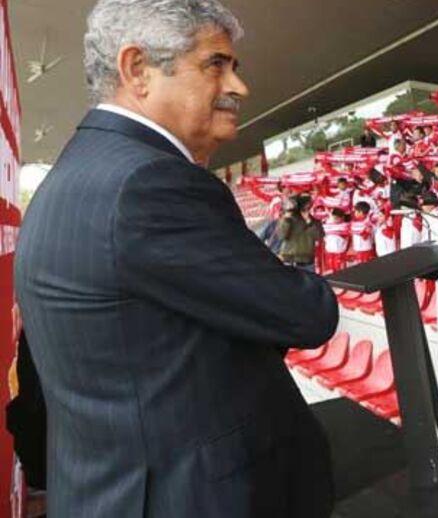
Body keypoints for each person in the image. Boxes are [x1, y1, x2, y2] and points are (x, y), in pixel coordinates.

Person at [13, 1, 339, 517]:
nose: (238, 87)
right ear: (137, 70)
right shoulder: (151, 184)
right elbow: (307, 313)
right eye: (216, 64)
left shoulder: (77, 176)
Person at [278, 195, 324, 272]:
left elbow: (318, 237)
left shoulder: (314, 222)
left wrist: (309, 222)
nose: (307, 210)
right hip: (289, 259)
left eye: (308, 208)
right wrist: (286, 219)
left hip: (306, 261)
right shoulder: (289, 220)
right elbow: (282, 236)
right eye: (304, 208)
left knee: (309, 283)